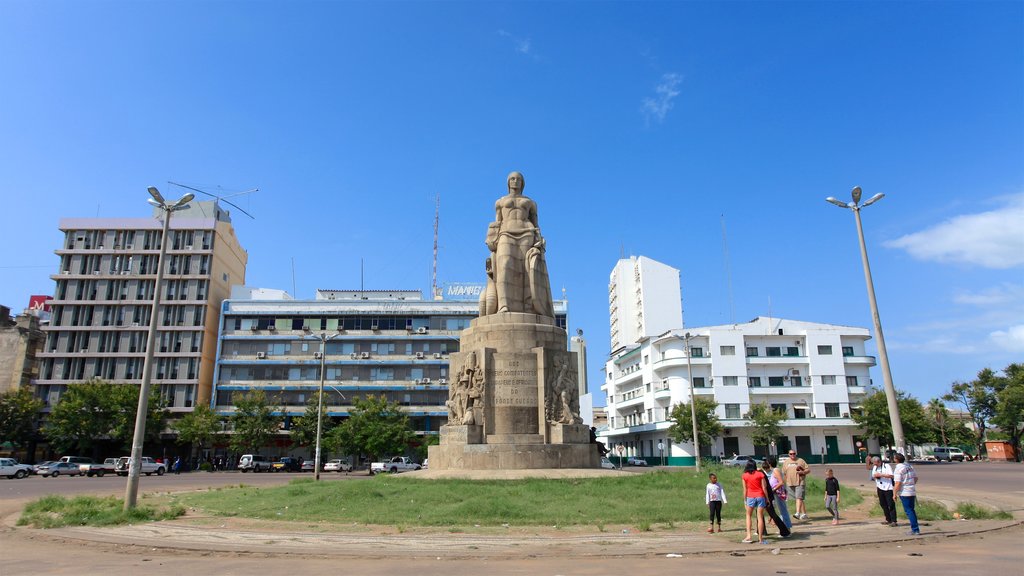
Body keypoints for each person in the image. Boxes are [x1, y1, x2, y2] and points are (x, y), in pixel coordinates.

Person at [485, 171, 554, 317]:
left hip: (526, 233)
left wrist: (540, 241)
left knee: (526, 270)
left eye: (518, 179)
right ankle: (504, 305)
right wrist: (492, 239)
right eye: (512, 179)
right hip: (506, 233)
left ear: (522, 183)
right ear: (508, 182)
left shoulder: (530, 202)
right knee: (504, 266)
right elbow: (497, 223)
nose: (515, 181)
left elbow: (536, 225)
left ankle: (529, 306)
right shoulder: (500, 202)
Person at [742, 459, 769, 544]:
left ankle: (749, 536)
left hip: (750, 496)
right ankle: (760, 538)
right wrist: (767, 498)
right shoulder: (760, 474)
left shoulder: (744, 476)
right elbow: (764, 488)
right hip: (760, 496)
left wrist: (744, 499)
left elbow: (745, 489)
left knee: (748, 516)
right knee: (760, 517)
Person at [892, 453, 920, 535]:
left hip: (905, 492)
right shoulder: (909, 466)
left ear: (896, 460)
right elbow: (915, 478)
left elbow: (897, 483)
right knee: (912, 510)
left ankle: (915, 529)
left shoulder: (898, 469)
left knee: (909, 511)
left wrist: (894, 493)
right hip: (911, 490)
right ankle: (915, 528)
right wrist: (911, 484)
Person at [762, 457, 792, 530]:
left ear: (770, 463)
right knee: (780, 511)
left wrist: (773, 489)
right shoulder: (773, 470)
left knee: (783, 510)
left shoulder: (775, 470)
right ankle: (783, 527)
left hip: (778, 493)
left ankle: (787, 528)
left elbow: (781, 482)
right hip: (775, 493)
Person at [868, 455, 898, 526]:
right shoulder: (875, 467)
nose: (874, 465)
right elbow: (873, 475)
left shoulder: (886, 466)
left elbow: (891, 475)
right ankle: (888, 519)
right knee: (883, 504)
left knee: (890, 504)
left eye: (875, 463)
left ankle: (894, 520)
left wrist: (881, 475)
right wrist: (875, 476)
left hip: (888, 488)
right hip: (879, 487)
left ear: (878, 462)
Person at [783, 449, 811, 519]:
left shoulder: (800, 460)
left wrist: (802, 472)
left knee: (799, 497)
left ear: (796, 454)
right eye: (791, 454)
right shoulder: (786, 462)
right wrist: (784, 483)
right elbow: (784, 473)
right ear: (788, 454)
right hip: (790, 483)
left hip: (800, 482)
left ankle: (797, 513)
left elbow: (808, 470)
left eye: (794, 453)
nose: (792, 455)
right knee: (798, 499)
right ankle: (804, 514)